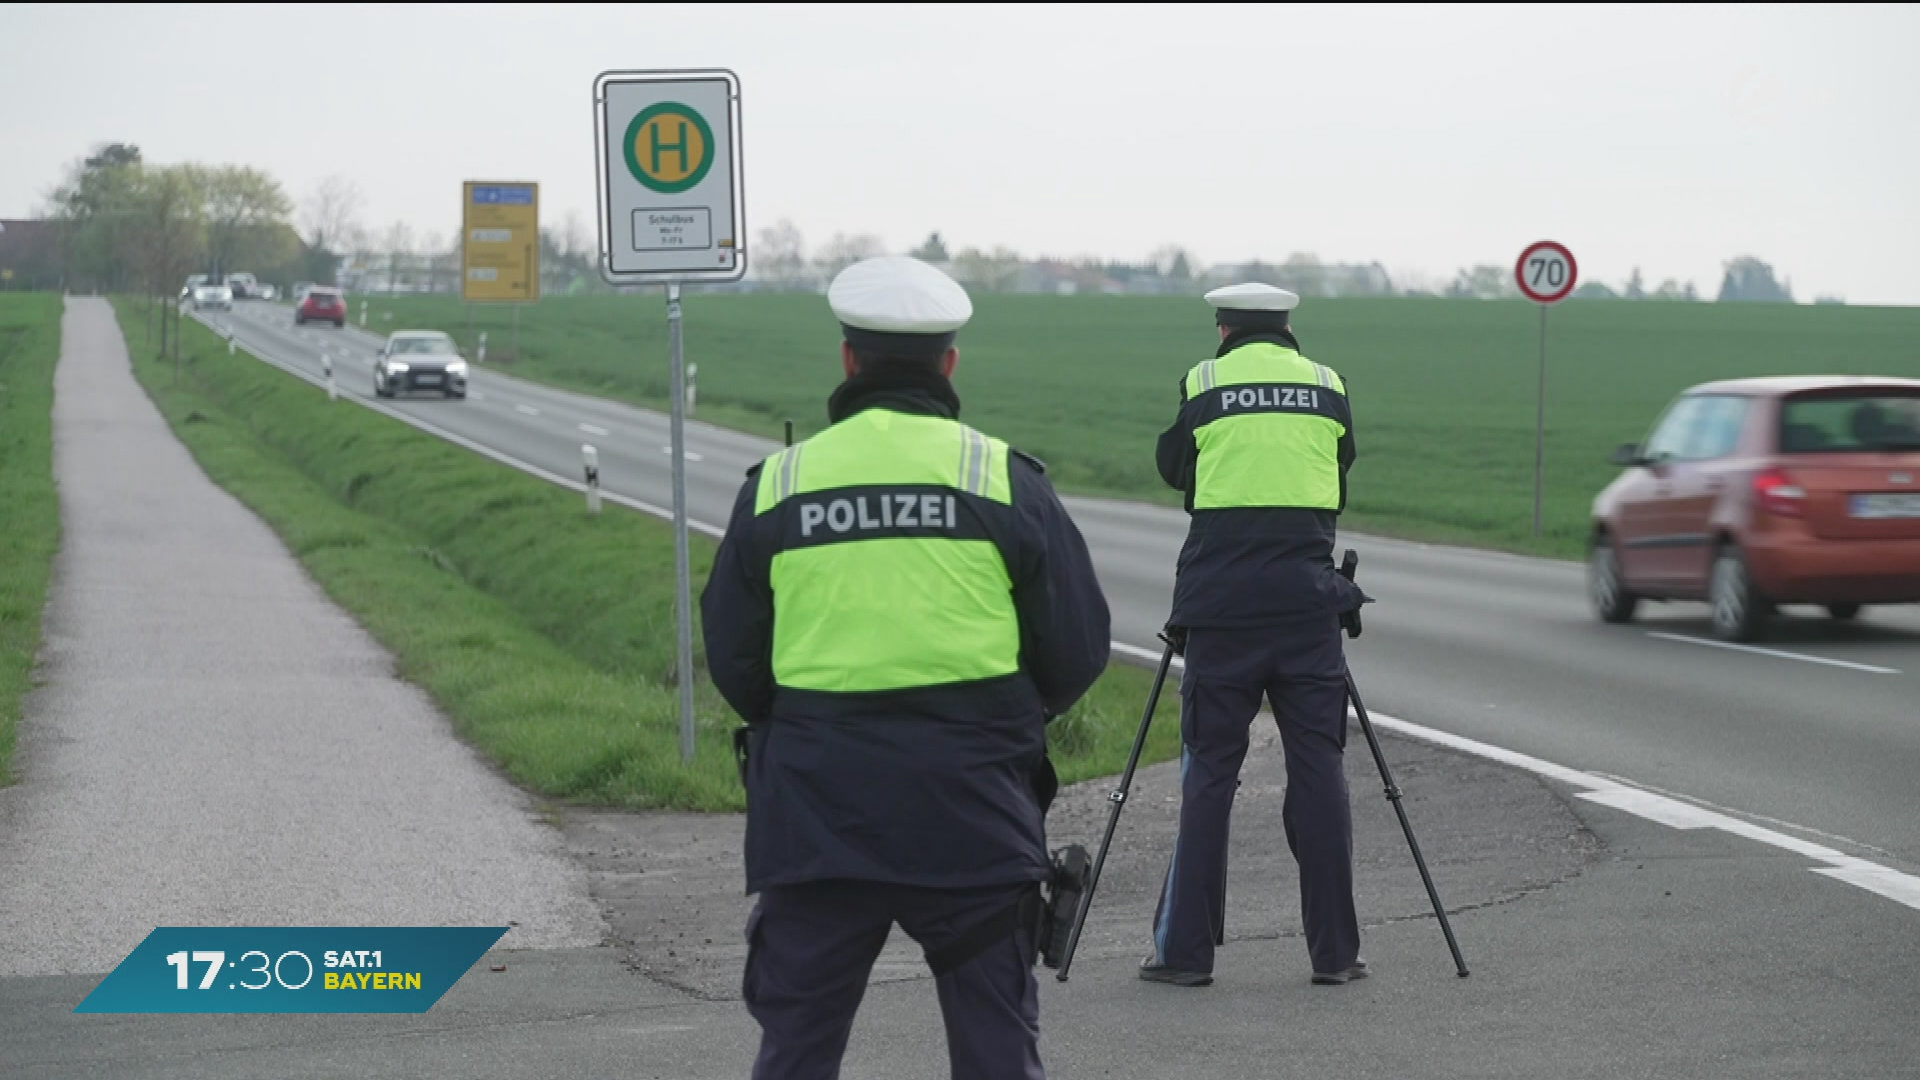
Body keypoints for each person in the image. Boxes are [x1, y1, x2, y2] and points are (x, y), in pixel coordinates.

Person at [701, 255, 1111, 1080]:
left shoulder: (780, 486)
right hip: (973, 820)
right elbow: (1077, 650)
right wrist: (997, 722)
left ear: (848, 360)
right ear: (949, 364)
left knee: (796, 1056)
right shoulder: (1003, 480)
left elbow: (735, 661)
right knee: (998, 1056)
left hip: (818, 822)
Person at [1144, 282, 1372, 988]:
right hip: (1308, 609)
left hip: (1220, 611)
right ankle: (1335, 955)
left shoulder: (1205, 382)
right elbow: (1340, 473)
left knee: (1210, 772)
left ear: (1224, 329)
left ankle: (1186, 955)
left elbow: (1174, 467)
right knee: (1319, 769)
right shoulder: (1329, 386)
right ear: (1288, 327)